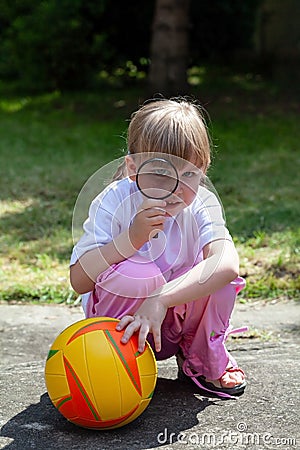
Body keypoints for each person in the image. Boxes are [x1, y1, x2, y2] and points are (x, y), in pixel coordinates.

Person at [70, 97, 247, 399]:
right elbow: (80, 280)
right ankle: (117, 359)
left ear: (204, 169)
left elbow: (227, 264)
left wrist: (161, 299)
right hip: (121, 320)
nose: (177, 188)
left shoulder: (202, 202)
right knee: (137, 272)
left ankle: (200, 358)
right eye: (161, 173)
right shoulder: (114, 202)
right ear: (131, 168)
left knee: (220, 279)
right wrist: (132, 238)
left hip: (172, 320)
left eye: (190, 174)